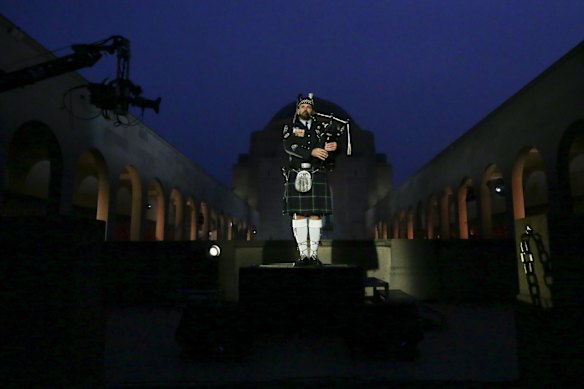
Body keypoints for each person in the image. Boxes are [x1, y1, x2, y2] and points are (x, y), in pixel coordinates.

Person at [282, 94, 340, 266]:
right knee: (298, 214)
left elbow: (332, 146)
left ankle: (313, 255)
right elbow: (289, 146)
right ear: (298, 110)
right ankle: (303, 255)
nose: (305, 109)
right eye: (302, 107)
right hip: (297, 172)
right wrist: (311, 152)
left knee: (316, 214)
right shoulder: (290, 127)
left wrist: (335, 147)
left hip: (317, 173)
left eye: (308, 106)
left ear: (312, 110)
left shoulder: (321, 128)